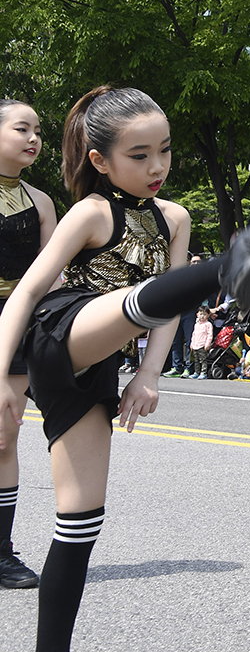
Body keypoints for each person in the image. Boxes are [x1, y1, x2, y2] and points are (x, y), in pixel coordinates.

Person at [0, 87, 250, 651]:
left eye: (165, 151)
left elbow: (169, 308)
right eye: (140, 155)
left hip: (101, 362)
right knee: (132, 301)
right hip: (60, 331)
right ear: (100, 161)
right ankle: (241, 254)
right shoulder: (91, 211)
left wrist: (149, 374)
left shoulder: (175, 217)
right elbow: (27, 290)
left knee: (79, 526)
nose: (158, 167)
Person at [0, 99, 59, 589]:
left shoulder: (41, 202)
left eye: (38, 130)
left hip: (15, 322)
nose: (33, 138)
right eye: (22, 128)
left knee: (3, 438)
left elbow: (49, 279)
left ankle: (1, 555)